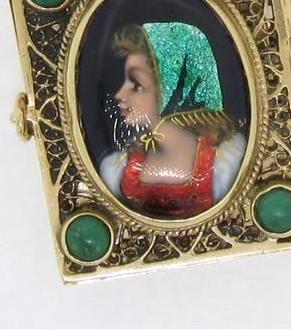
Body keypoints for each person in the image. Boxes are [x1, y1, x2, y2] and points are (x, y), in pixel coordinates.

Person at [97, 22, 246, 218]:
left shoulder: (228, 161)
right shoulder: (115, 169)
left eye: (136, 84)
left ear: (171, 89)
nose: (120, 95)